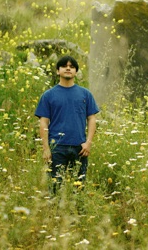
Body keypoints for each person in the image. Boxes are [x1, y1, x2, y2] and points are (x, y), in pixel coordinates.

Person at [35, 55, 99, 194]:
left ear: (76, 72)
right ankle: (56, 215)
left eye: (72, 66)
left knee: (79, 188)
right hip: (57, 148)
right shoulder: (48, 95)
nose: (68, 68)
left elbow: (92, 119)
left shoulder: (85, 94)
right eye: (64, 66)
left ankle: (78, 214)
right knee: (55, 188)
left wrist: (88, 142)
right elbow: (43, 122)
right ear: (58, 71)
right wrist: (46, 148)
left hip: (80, 148)